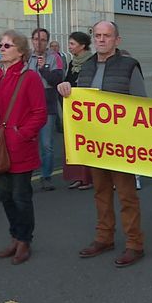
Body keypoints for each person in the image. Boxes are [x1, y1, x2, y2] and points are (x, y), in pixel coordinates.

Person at [57, 20, 146, 268]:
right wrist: (65, 89)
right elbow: (76, 101)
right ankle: (104, 237)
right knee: (101, 193)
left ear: (117, 40)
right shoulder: (84, 67)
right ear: (93, 38)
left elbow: (141, 104)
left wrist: (135, 140)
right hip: (95, 142)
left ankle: (135, 244)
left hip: (121, 143)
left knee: (127, 195)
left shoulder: (129, 66)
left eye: (107, 35)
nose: (101, 39)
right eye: (97, 35)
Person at [0, 30, 47, 265]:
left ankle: (25, 240)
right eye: (0, 45)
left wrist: (20, 134)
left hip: (19, 149)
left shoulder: (30, 78)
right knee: (5, 196)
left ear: (20, 50)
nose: (2, 48)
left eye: (7, 45)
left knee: (21, 196)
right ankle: (15, 236)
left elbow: (39, 114)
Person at [27, 28, 64, 191]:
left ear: (47, 41)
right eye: (36, 39)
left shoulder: (54, 58)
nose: (38, 42)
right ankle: (25, 176)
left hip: (46, 106)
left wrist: (43, 69)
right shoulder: (26, 58)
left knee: (46, 145)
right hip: (28, 107)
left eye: (42, 39)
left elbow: (57, 79)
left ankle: (46, 176)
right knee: (28, 144)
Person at [61, 32, 94, 190]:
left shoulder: (91, 62)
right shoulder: (72, 62)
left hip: (87, 109)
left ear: (82, 45)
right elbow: (68, 80)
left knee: (86, 143)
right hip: (73, 108)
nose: (69, 47)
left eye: (72, 44)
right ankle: (78, 177)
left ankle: (89, 178)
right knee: (74, 143)